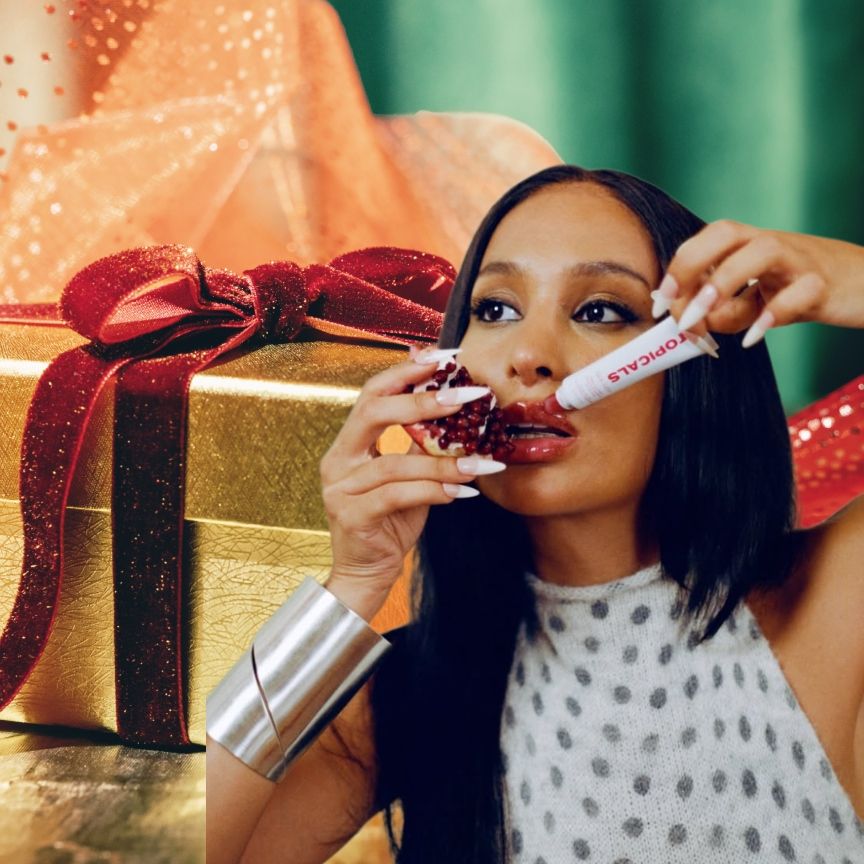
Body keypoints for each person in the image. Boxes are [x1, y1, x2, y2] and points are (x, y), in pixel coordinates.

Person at [206, 165, 864, 864]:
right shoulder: (409, 696)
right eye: (494, 310)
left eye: (601, 310)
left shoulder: (831, 605)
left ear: (694, 364)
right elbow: (176, 846)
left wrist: (848, 276)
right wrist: (349, 588)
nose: (528, 356)